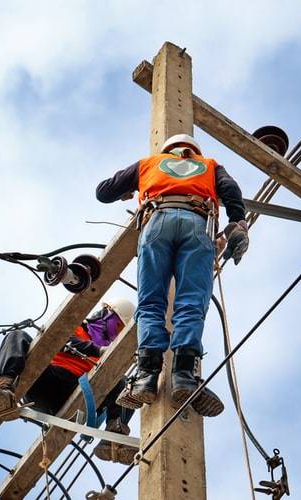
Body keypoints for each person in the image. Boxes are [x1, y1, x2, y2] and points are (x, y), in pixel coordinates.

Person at [96, 134, 249, 416]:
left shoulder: (149, 164)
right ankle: (183, 377)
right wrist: (237, 222)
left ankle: (146, 377)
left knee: (151, 302)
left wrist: (125, 190)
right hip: (197, 223)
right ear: (194, 151)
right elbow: (230, 189)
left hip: (157, 222)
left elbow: (103, 191)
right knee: (191, 303)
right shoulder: (211, 165)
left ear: (167, 150)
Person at [0, 297, 138, 464]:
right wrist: (97, 350)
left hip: (76, 394)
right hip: (46, 381)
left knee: (124, 384)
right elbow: (60, 339)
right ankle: (5, 388)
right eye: (117, 326)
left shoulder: (109, 356)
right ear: (106, 314)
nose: (115, 334)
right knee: (17, 335)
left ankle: (113, 439)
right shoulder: (74, 327)